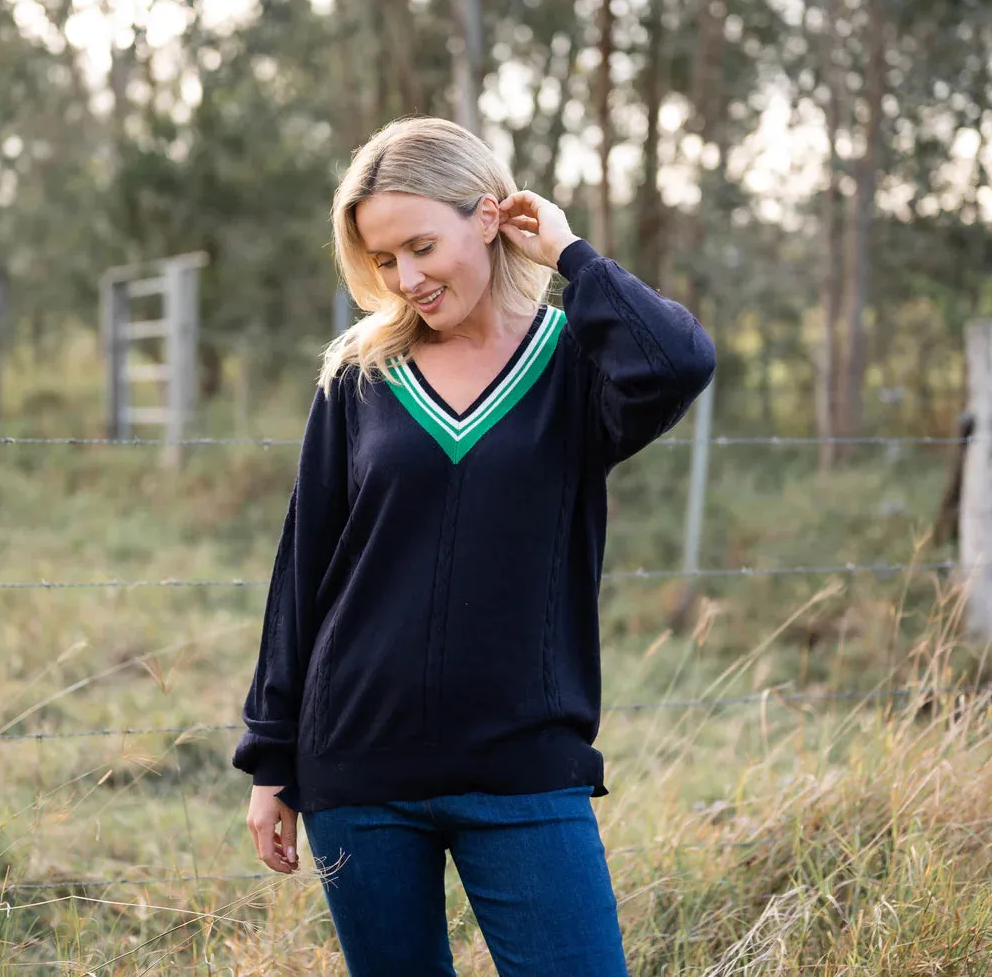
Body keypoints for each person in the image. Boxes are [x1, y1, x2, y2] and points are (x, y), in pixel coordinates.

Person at [231, 116, 715, 976]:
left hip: (524, 766)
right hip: (358, 766)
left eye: (421, 246)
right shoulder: (360, 376)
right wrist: (272, 763)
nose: (406, 279)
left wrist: (573, 254)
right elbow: (304, 567)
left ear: (489, 217)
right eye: (384, 260)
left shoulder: (574, 365)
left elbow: (676, 363)